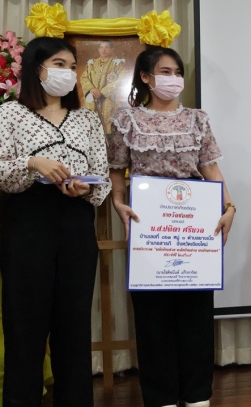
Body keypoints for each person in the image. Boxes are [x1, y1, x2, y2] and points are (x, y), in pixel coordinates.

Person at [107, 46, 234, 407]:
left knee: (196, 312)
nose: (173, 79)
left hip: (195, 222)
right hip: (149, 224)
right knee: (152, 315)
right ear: (146, 77)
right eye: (165, 72)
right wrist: (118, 202)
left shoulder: (197, 119)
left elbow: (210, 168)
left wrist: (229, 207)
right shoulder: (126, 120)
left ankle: (197, 395)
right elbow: (117, 170)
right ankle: (160, 396)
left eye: (178, 72)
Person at [0, 36, 110, 405]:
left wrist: (86, 188)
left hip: (76, 222)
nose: (68, 73)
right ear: (36, 68)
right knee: (24, 324)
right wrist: (33, 163)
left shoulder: (87, 118)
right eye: (59, 65)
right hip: (26, 222)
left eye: (72, 67)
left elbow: (102, 176)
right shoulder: (10, 114)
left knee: (73, 324)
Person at [81, 39, 125, 134]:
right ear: (98, 50)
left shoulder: (117, 63)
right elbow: (84, 78)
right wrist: (92, 89)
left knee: (108, 126)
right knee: (91, 127)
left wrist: (103, 92)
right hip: (92, 98)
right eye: (101, 47)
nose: (103, 50)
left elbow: (121, 80)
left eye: (106, 47)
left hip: (108, 99)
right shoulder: (91, 63)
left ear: (112, 49)